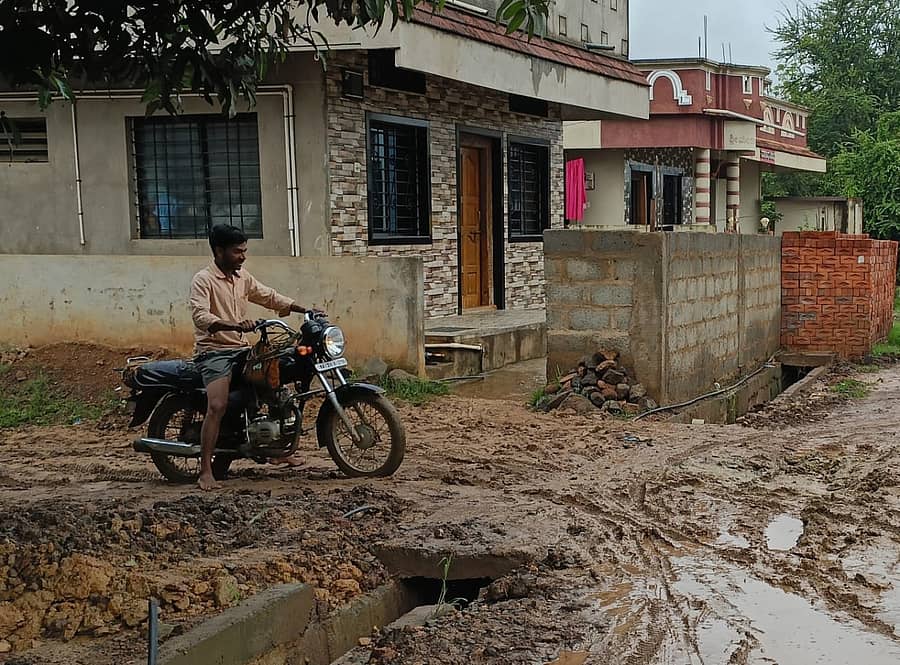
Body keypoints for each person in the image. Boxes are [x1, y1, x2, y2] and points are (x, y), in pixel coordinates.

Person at [190, 224, 314, 491]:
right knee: (217, 406)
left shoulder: (242, 277)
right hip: (214, 353)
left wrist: (303, 309)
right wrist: (233, 326)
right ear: (219, 251)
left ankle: (279, 450)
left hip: (242, 350)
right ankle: (205, 471)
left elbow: (267, 295)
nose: (243, 256)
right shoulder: (203, 280)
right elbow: (200, 317)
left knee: (276, 385)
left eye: (245, 251)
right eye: (237, 252)